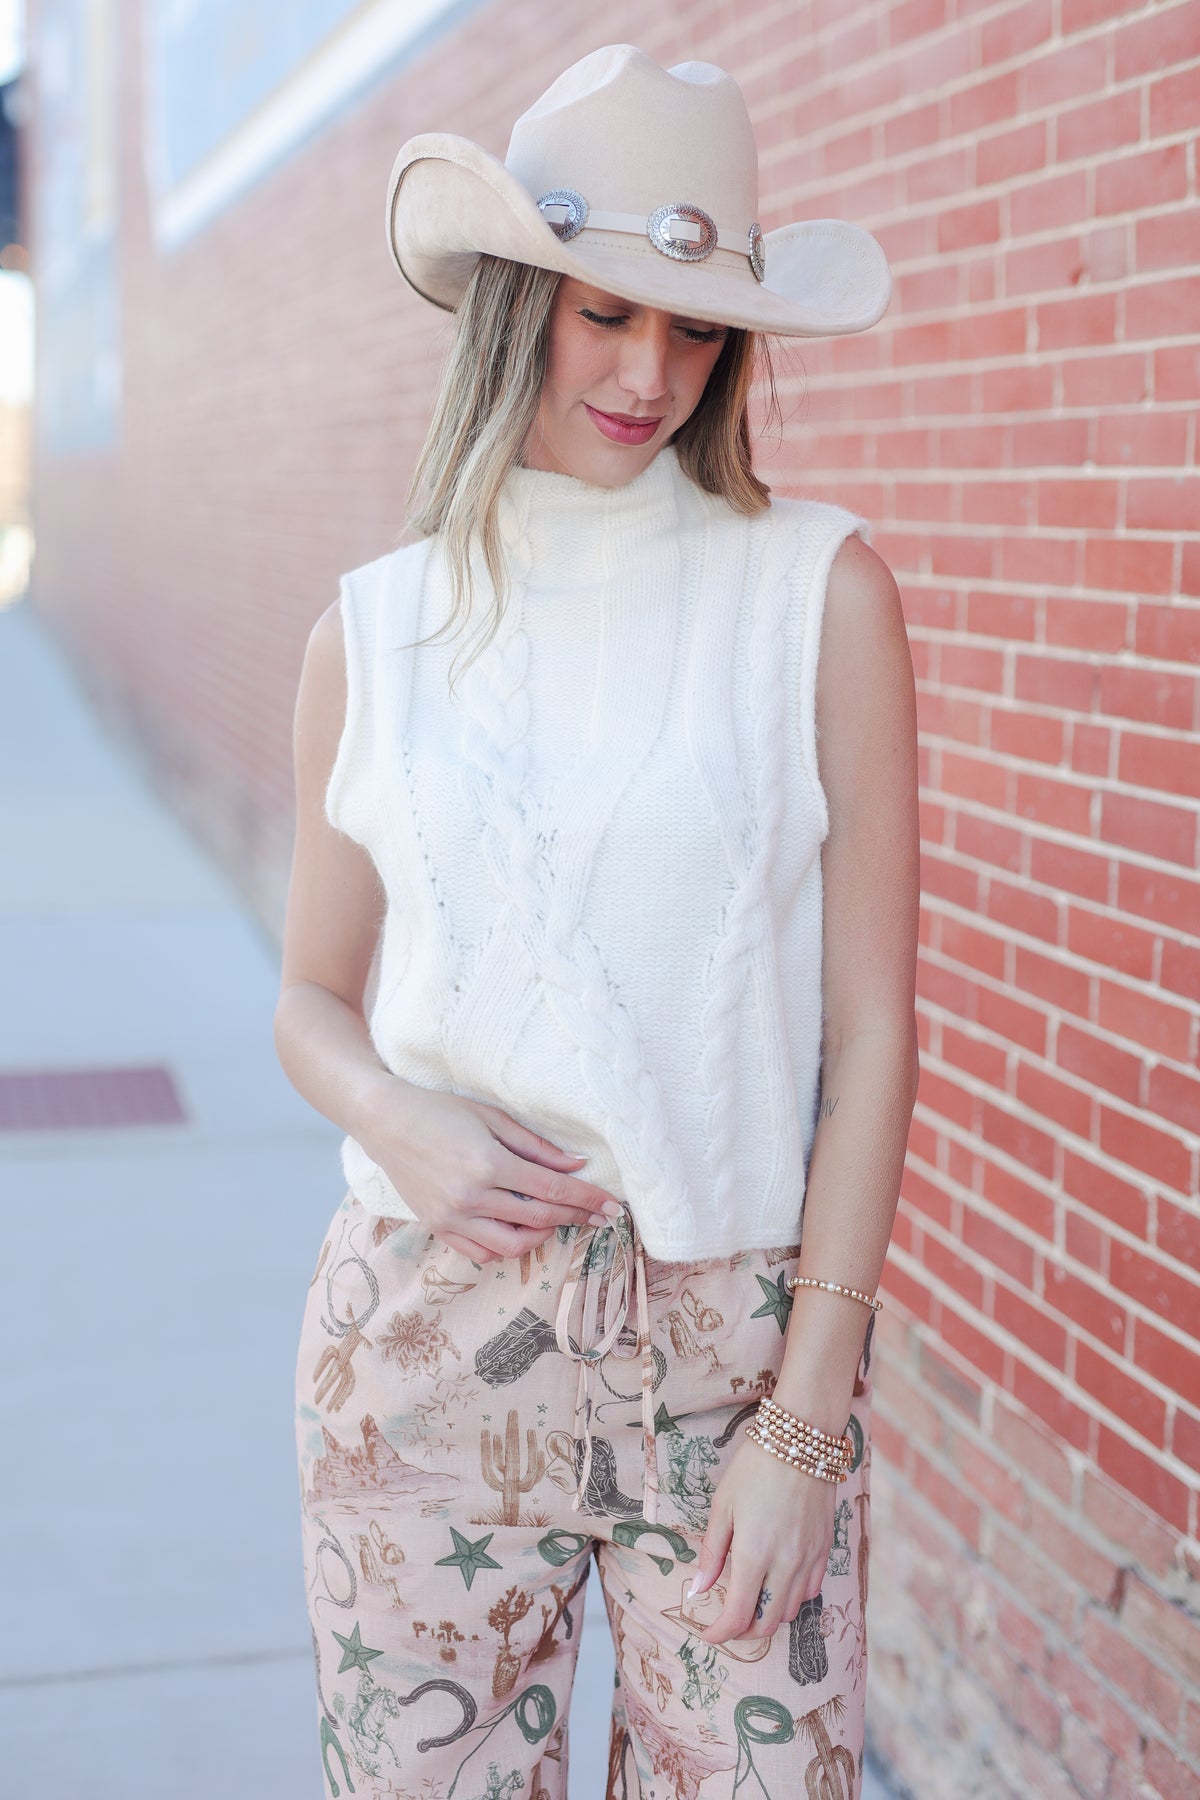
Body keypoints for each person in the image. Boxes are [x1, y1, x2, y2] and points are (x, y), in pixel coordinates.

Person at [275, 42, 919, 1800]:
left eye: (697, 325)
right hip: (418, 1352)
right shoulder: (374, 631)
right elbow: (310, 1001)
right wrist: (401, 1118)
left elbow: (871, 1036)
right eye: (605, 311)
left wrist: (807, 1420)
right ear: (517, 300)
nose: (651, 371)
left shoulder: (819, 596)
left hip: (731, 1364)